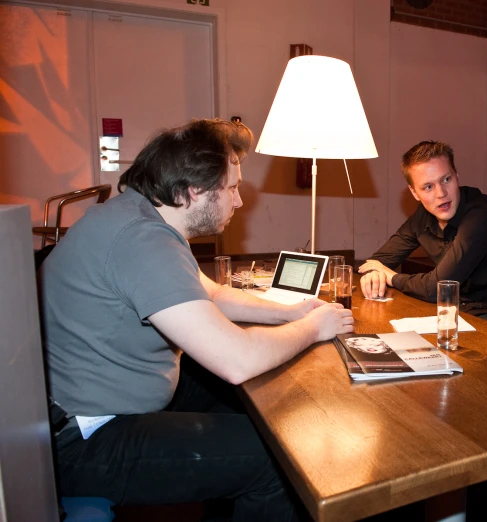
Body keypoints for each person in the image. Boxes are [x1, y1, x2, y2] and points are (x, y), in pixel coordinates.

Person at [40, 118, 354, 521]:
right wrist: (313, 328)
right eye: (232, 188)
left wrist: (290, 313)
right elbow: (236, 361)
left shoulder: (140, 215)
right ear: (195, 190)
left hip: (102, 401)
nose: (239, 202)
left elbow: (213, 293)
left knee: (253, 407)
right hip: (82, 439)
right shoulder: (143, 240)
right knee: (280, 459)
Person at [358, 140, 487, 325]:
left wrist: (391, 277)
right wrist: (373, 274)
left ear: (457, 176)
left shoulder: (481, 215)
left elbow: (436, 288)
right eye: (428, 187)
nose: (441, 193)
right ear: (414, 193)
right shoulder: (423, 216)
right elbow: (377, 262)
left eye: (446, 179)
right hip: (461, 310)